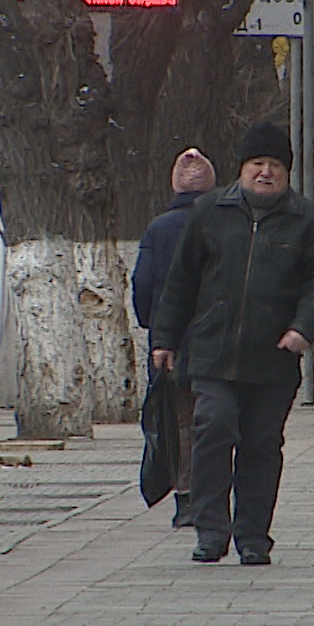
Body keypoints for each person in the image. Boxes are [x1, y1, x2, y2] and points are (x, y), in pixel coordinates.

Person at [149, 122, 314, 564]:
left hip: (273, 357)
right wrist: (165, 338)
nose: (265, 172)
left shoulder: (307, 220)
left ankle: (252, 535)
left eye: (274, 165)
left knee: (260, 443)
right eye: (257, 164)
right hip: (212, 352)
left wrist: (302, 329)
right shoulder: (211, 212)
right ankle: (211, 529)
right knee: (212, 428)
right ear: (242, 169)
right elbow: (181, 280)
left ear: (286, 172)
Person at [131, 148, 215, 528]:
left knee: (181, 420)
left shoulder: (158, 228)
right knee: (216, 418)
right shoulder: (224, 222)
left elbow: (143, 284)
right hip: (219, 340)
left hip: (173, 345)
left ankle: (186, 500)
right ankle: (216, 493)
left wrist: (154, 326)